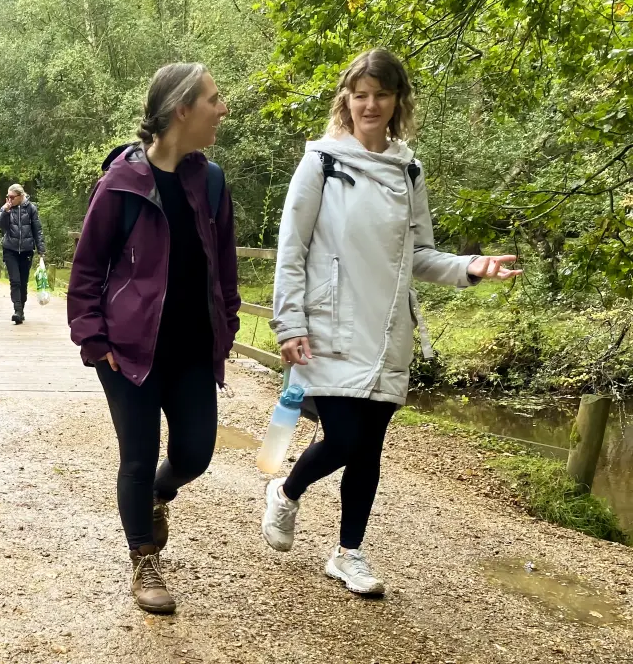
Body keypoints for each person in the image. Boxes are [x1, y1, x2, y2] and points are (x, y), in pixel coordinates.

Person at [262, 48, 521, 596]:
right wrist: (289, 322)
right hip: (328, 324)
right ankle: (286, 492)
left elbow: (418, 254)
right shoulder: (322, 162)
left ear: (398, 100)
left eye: (381, 94)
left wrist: (469, 266)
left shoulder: (409, 170)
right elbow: (291, 249)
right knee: (343, 439)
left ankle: (348, 553)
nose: (370, 104)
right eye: (360, 94)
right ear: (346, 100)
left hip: (387, 328)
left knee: (370, 447)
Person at [67, 62, 238, 615]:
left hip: (192, 349)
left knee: (195, 453)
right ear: (182, 110)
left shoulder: (212, 183)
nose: (223, 109)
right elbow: (87, 269)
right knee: (137, 458)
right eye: (214, 99)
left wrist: (228, 323)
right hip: (129, 352)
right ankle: (144, 560)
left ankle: (162, 495)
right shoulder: (120, 184)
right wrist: (95, 340)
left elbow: (225, 267)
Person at [0, 184, 45, 324]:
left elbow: (37, 230)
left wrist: (41, 250)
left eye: (12, 197)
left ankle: (21, 309)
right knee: (15, 281)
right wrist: (5, 212)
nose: (9, 199)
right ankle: (17, 310)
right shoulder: (6, 208)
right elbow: (0, 225)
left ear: (21, 196)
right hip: (10, 249)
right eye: (8, 197)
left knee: (23, 282)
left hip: (26, 250)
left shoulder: (31, 208)